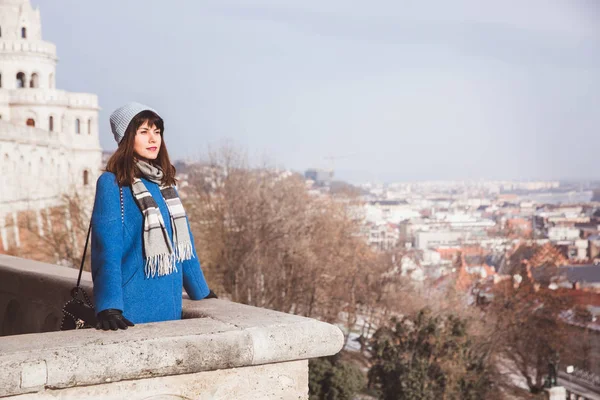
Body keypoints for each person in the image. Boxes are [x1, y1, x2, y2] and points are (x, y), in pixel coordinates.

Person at [91, 102, 216, 331]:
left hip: (170, 307)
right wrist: (109, 306)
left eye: (157, 132)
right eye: (144, 132)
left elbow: (183, 246)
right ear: (127, 138)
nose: (153, 139)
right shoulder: (112, 184)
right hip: (132, 308)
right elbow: (106, 251)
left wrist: (202, 292)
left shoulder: (164, 184)